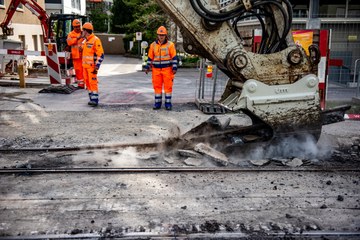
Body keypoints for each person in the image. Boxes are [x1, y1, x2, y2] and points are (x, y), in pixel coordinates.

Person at [144, 26, 178, 110]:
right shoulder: (153, 45)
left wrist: (174, 67)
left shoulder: (170, 45)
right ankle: (157, 103)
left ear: (165, 35)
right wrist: (147, 66)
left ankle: (168, 104)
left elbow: (174, 57)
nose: (161, 36)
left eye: (162, 35)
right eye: (159, 35)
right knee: (157, 87)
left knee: (168, 87)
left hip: (167, 70)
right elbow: (150, 58)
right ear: (157, 35)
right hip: (156, 70)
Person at [81, 22, 104, 106]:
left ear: (86, 31)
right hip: (85, 67)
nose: (81, 32)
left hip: (92, 67)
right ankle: (92, 99)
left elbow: (101, 55)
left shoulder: (95, 40)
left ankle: (95, 100)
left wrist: (96, 67)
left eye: (82, 31)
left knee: (93, 83)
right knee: (88, 83)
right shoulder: (85, 41)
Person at [66, 19, 85, 88]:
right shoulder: (71, 34)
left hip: (84, 55)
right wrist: (77, 38)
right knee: (78, 71)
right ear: (73, 27)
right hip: (76, 56)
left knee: (85, 70)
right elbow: (69, 43)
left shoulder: (84, 33)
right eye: (76, 27)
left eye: (78, 26)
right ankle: (81, 84)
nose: (77, 28)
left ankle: (88, 84)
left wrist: (82, 46)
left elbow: (87, 42)